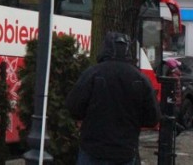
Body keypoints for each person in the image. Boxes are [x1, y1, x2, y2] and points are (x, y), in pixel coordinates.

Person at [66, 31, 160, 165]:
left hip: (93, 149)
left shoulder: (92, 73)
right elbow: (152, 118)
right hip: (125, 150)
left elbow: (73, 107)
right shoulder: (140, 78)